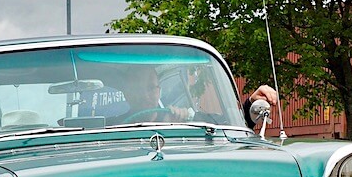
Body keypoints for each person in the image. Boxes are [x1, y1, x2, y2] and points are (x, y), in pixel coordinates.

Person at [114, 66, 278, 128]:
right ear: (127, 93)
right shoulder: (112, 126)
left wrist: (250, 104)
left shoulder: (184, 119)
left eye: (151, 87)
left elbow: (225, 125)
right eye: (138, 88)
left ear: (159, 90)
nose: (146, 94)